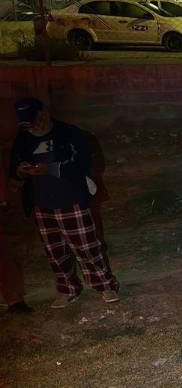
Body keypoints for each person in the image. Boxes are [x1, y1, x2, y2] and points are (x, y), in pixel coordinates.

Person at [7, 98, 119, 308]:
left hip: (71, 199)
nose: (33, 126)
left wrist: (51, 169)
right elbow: (15, 169)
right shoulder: (22, 139)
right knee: (55, 250)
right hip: (42, 203)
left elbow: (83, 164)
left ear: (45, 112)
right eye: (27, 123)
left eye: (35, 119)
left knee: (87, 246)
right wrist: (21, 172)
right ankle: (67, 289)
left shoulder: (68, 133)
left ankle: (105, 285)